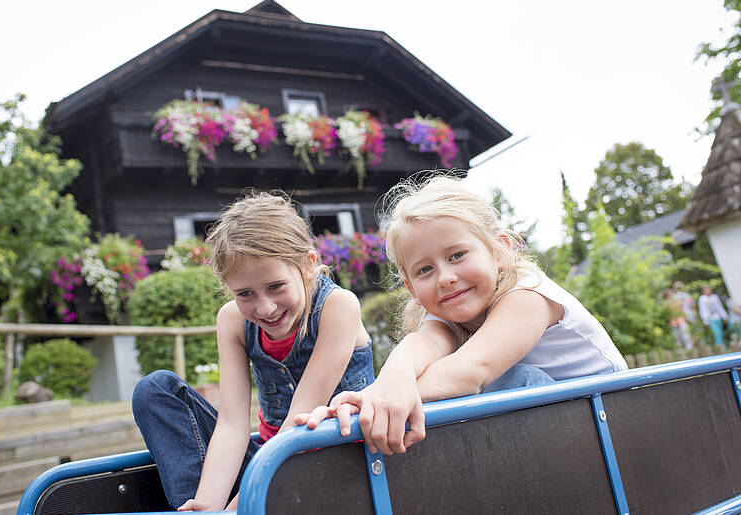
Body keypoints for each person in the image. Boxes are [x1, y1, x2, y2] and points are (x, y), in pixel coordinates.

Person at [296, 175, 627, 455]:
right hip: (564, 434)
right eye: (425, 269)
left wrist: (380, 400)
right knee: (429, 399)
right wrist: (385, 386)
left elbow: (472, 371)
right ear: (410, 287)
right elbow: (419, 346)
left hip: (615, 429)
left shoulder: (528, 295)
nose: (445, 277)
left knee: (516, 381)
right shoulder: (448, 311)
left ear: (500, 250)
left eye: (457, 255)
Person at [132, 192, 375, 511]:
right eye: (245, 293)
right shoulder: (232, 319)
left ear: (308, 264)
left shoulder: (338, 307)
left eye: (276, 286)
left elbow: (300, 422)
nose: (265, 307)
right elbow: (232, 424)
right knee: (154, 390)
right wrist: (212, 505)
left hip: (333, 463)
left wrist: (239, 508)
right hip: (266, 462)